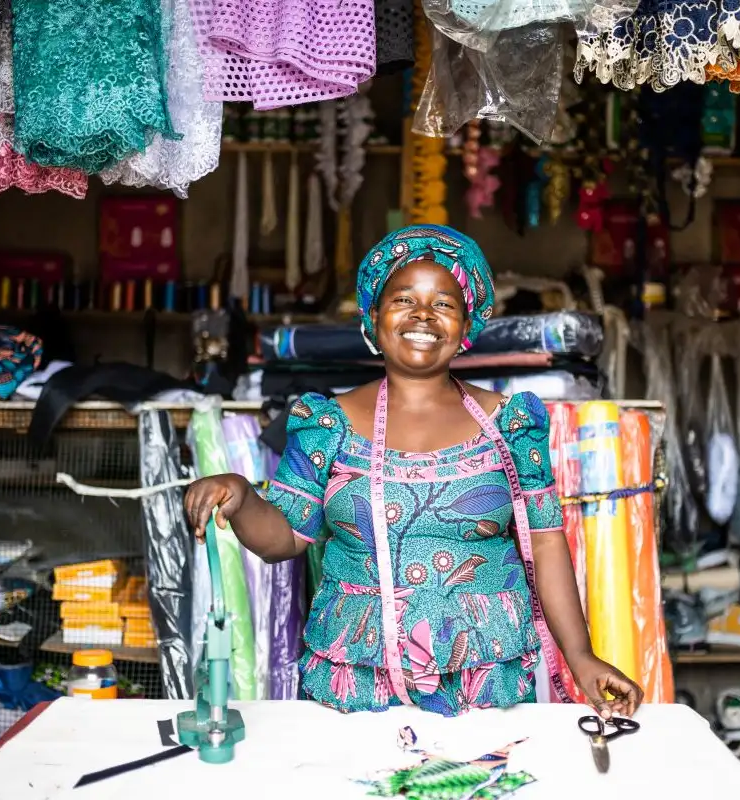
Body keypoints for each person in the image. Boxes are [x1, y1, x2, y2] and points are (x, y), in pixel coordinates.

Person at [185, 224, 643, 719]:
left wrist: (580, 656)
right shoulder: (327, 424)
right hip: (356, 679)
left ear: (466, 327)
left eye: (444, 304)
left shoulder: (512, 425)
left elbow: (548, 541)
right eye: (404, 299)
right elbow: (284, 539)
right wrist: (242, 496)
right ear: (373, 318)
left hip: (485, 679)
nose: (423, 315)